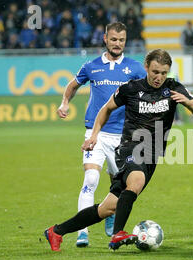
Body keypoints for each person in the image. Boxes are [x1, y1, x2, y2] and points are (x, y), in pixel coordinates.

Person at [44, 49, 193, 251]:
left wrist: (189, 103)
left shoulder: (173, 88)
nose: (159, 77)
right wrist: (94, 135)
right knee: (136, 181)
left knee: (108, 207)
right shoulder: (130, 88)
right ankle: (117, 234)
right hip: (131, 147)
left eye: (164, 73)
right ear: (146, 67)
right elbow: (105, 109)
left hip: (152, 153)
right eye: (155, 71)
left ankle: (56, 231)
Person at [56, 22, 146, 247]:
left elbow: (148, 91)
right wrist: (65, 102)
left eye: (122, 40)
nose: (117, 44)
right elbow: (73, 85)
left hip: (123, 136)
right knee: (91, 178)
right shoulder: (91, 66)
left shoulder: (135, 68)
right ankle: (82, 232)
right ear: (105, 38)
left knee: (119, 185)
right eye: (114, 39)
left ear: (126, 41)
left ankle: (110, 215)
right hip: (95, 132)